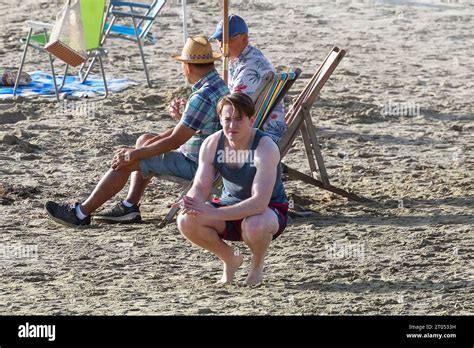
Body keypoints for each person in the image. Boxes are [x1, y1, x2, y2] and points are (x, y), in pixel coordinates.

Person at [45, 36, 229, 227]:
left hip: (199, 166)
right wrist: (152, 141)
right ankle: (129, 207)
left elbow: (174, 141)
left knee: (128, 161)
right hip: (213, 161)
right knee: (145, 139)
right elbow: (184, 129)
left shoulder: (202, 96)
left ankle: (80, 213)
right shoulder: (219, 86)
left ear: (188, 67)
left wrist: (134, 154)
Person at [175, 92, 289, 285]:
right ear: (220, 119)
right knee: (186, 220)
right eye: (227, 119)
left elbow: (259, 202)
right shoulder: (212, 143)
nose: (232, 126)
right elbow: (201, 186)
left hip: (268, 211)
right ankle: (231, 257)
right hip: (229, 205)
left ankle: (256, 268)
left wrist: (213, 212)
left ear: (251, 120)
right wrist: (191, 202)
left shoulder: (265, 147)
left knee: (254, 225)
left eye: (238, 119)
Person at [209, 14, 287, 143]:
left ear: (244, 39)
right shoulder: (247, 57)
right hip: (258, 125)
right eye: (219, 40)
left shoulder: (249, 68)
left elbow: (233, 107)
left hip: (262, 133)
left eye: (228, 40)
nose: (222, 45)